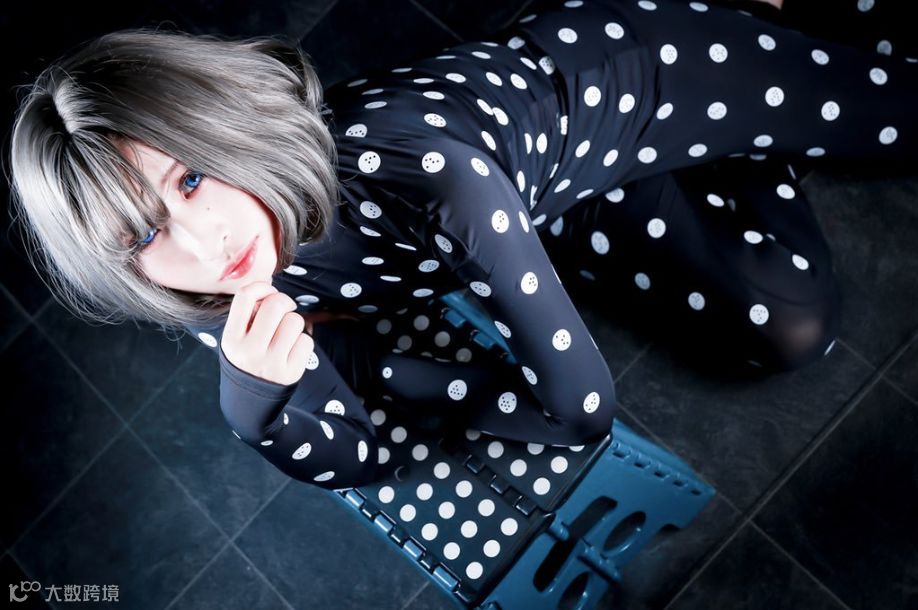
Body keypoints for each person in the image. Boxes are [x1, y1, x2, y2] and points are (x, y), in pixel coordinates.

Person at [6, 0, 917, 491]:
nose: (206, 243)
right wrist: (259, 412)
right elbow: (362, 457)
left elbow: (581, 412)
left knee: (897, 103)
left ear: (221, 126)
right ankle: (756, 105)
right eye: (144, 234)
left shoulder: (421, 169)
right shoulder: (215, 292)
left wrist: (381, 374)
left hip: (633, 77)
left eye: (192, 178)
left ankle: (733, 19)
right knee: (791, 327)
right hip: (552, 202)